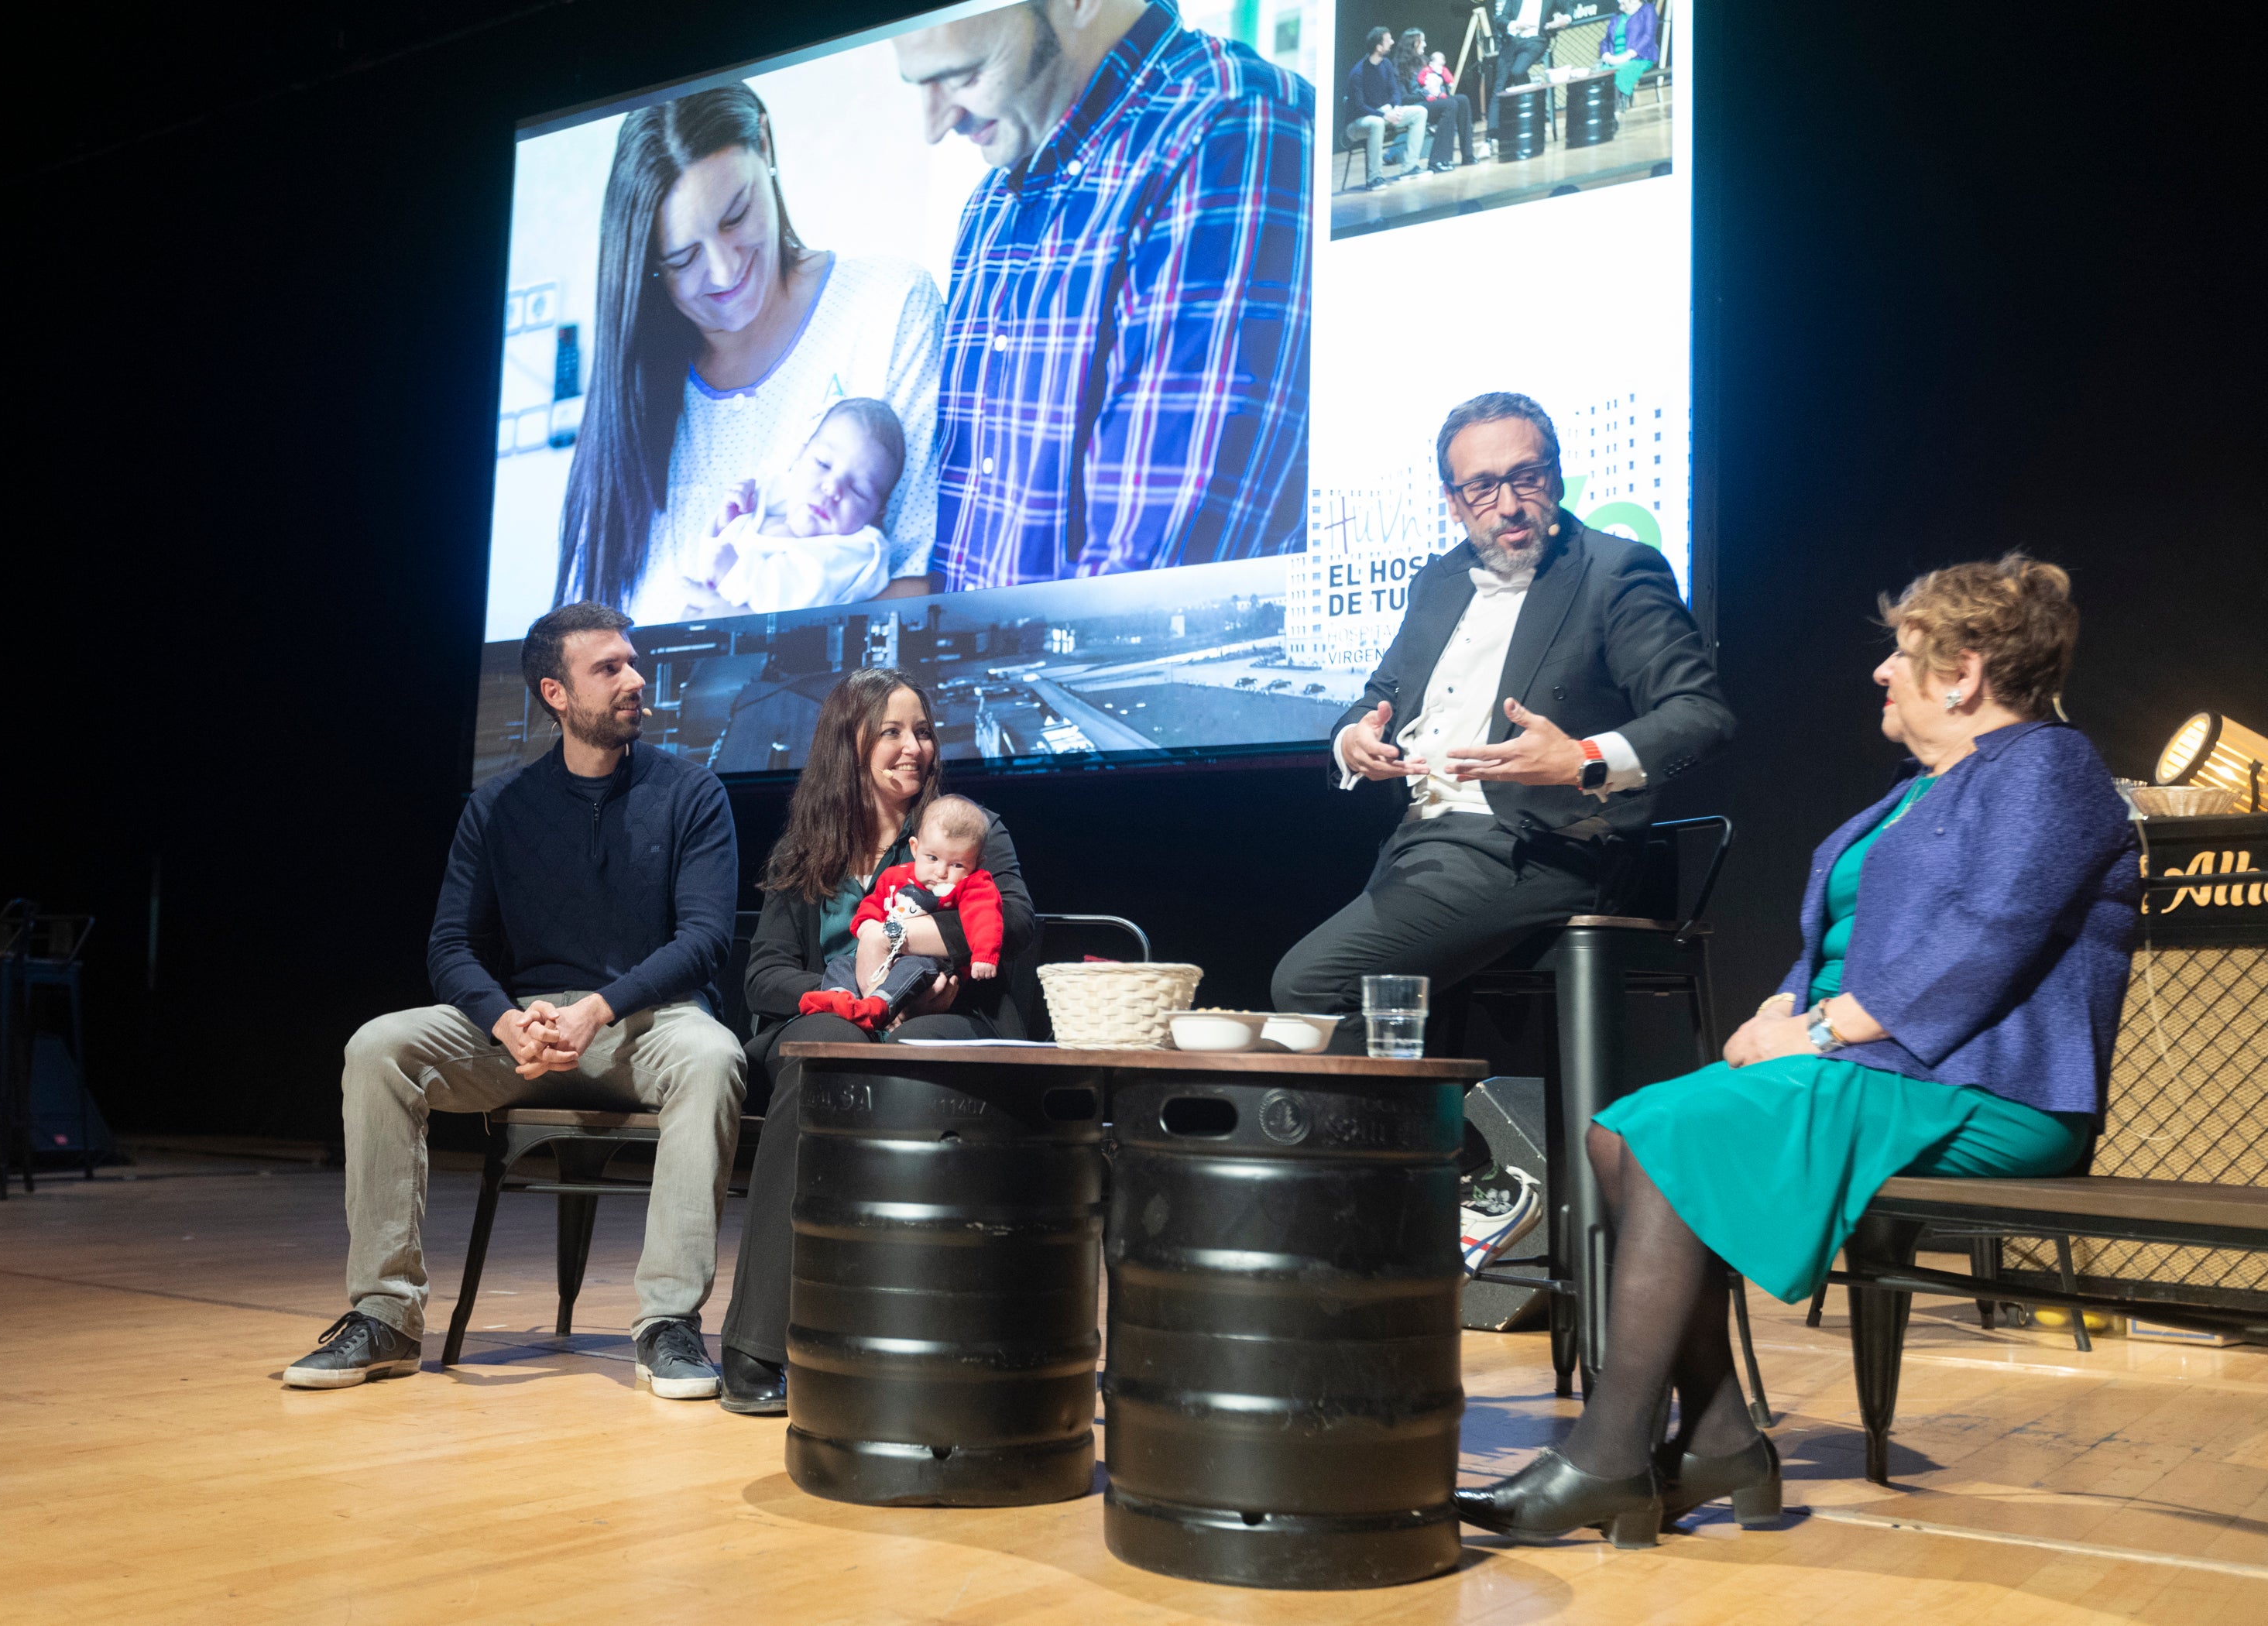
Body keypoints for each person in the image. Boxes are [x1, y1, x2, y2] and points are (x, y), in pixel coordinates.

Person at [1457, 555, 2137, 1545]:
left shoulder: (2049, 767)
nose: (1879, 674)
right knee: (1621, 1135)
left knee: (1661, 1140)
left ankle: (1608, 1456)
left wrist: (1811, 1032)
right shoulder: (1915, 791)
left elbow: (1985, 943)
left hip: (1984, 1086)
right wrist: (1778, 1008)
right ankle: (1724, 1437)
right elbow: (1841, 945)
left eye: (1902, 654)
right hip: (1874, 1067)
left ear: (1965, 674)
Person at [1271, 390, 1733, 1268]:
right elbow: (1383, 692)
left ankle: (1465, 1184)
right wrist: (1355, 734)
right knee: (1369, 1007)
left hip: (1542, 843)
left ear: (1555, 477)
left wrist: (1586, 757)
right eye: (1481, 488)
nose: (1508, 505)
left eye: (1525, 478)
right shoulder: (1439, 579)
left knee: (1308, 984)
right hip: (1426, 847)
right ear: (1452, 501)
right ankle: (1395, 1235)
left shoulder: (1614, 571)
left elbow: (1700, 713)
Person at [283, 603, 748, 1398]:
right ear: (555, 693)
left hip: (643, 1025)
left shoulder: (691, 793)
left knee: (715, 1058)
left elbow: (705, 941)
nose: (636, 679)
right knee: (379, 1047)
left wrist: (596, 1009)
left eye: (633, 663)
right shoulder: (499, 806)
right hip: (525, 1030)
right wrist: (505, 1021)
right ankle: (387, 1317)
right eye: (610, 668)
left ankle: (668, 1324)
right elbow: (449, 947)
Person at [897, 0, 1312, 589]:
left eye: (964, 74)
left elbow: (1153, 579)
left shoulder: (1231, 127)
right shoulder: (989, 205)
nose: (934, 126)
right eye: (919, 83)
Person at [716, 670, 1038, 1414]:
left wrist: (918, 944)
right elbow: (764, 975)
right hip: (834, 1017)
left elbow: (1015, 925)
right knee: (824, 1046)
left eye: (921, 730)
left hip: (944, 1019)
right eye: (891, 731)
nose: (912, 747)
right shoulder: (809, 847)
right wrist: (845, 997)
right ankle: (757, 1341)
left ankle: (921, 1335)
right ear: (850, 744)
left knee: (921, 1036)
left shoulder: (964, 829)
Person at [554, 85, 945, 624]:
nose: (724, 272)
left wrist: (759, 638)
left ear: (765, 144)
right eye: (683, 257)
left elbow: (917, 591)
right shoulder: (636, 396)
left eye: (735, 216)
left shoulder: (889, 305)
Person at [678, 398, 908, 615]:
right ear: (798, 458)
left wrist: (737, 573)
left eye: (858, 490)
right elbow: (712, 563)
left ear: (877, 516)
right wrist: (727, 525)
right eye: (823, 464)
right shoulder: (769, 503)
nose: (832, 488)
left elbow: (794, 597)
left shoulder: (855, 550)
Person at [801, 794, 1007, 1027]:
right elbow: (872, 905)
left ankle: (878, 1007)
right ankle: (839, 999)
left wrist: (984, 955)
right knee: (841, 963)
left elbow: (986, 917)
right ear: (915, 848)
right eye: (932, 858)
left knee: (913, 967)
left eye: (957, 864)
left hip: (930, 964)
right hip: (882, 961)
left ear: (977, 864)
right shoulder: (895, 876)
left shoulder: (974, 884)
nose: (941, 872)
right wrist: (867, 926)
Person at [1347, 26, 1429, 190]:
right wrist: (1384, 115)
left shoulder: (1386, 64)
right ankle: (1374, 179)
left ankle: (1409, 167)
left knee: (1420, 112)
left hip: (1383, 113)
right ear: (1378, 47)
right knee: (1377, 123)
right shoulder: (1358, 72)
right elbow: (1359, 106)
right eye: (1388, 40)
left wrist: (1397, 108)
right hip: (1357, 123)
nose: (1392, 42)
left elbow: (1395, 91)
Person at [1487, 0, 1572, 149]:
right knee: (1499, 86)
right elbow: (1501, 19)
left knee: (1517, 70)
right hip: (1513, 41)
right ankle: (1491, 137)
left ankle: (1531, 113)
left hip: (1536, 40)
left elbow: (1568, 6)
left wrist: (1565, 19)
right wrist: (1515, 25)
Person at [1395, 27, 1477, 171]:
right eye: (1422, 41)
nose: (1425, 45)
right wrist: (1424, 94)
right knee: (1449, 104)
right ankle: (1437, 160)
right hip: (1417, 104)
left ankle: (1468, 155)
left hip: (1435, 100)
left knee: (1462, 100)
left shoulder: (1426, 61)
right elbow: (1403, 98)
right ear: (1414, 43)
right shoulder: (1400, 65)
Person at [1599, 0, 1659, 101]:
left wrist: (1627, 55)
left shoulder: (1647, 10)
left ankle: (1617, 106)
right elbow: (1605, 41)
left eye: (1623, 3)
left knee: (1619, 73)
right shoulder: (1617, 17)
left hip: (1639, 58)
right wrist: (1607, 56)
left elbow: (1648, 36)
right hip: (1614, 59)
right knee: (1599, 74)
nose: (1620, 7)